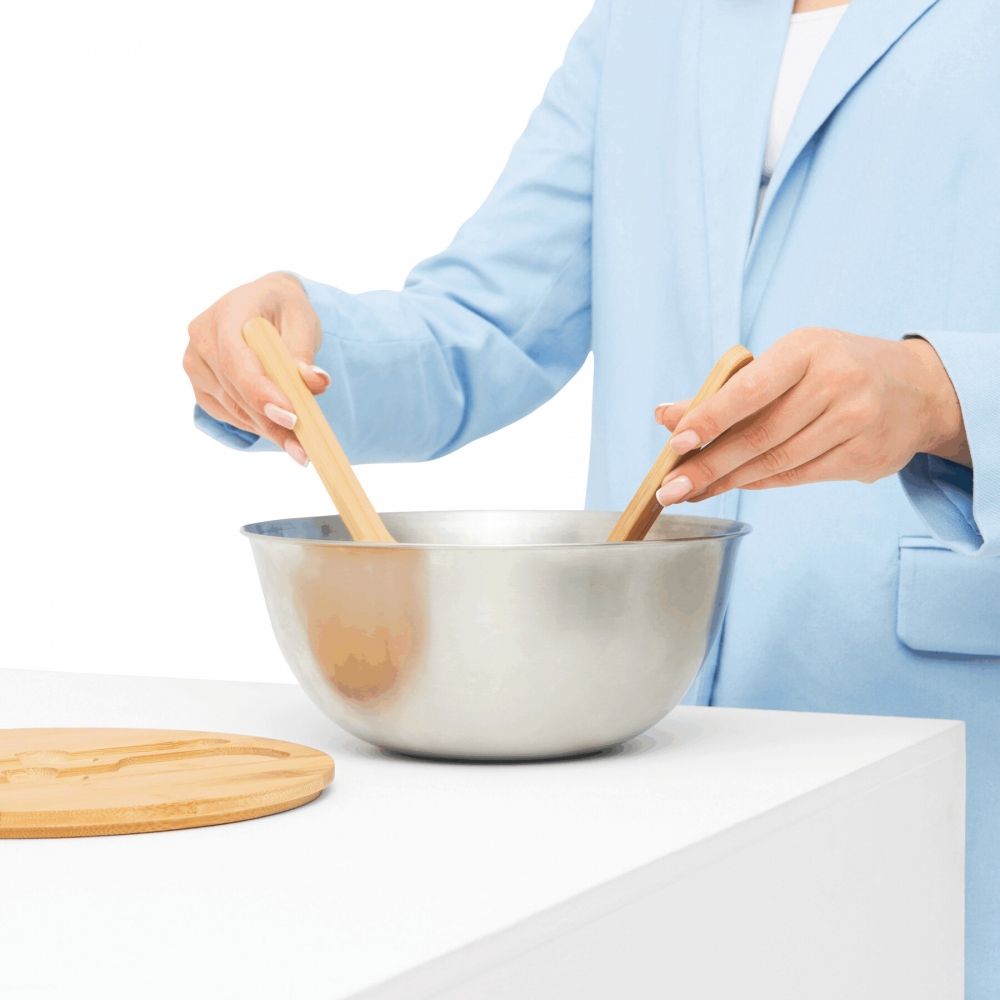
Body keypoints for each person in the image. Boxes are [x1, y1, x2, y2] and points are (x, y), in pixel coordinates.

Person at [184, 0, 999, 992]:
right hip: (649, 748)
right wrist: (300, 353)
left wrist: (945, 396)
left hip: (938, 732)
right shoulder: (649, 20)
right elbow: (489, 322)